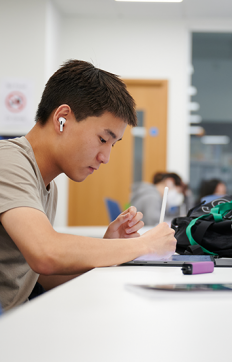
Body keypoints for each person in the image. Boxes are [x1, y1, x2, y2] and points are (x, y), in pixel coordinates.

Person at [0, 60, 176, 312]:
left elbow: (39, 277)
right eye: (103, 139)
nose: (105, 157)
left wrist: (110, 246)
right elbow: (45, 253)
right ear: (62, 119)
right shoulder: (8, 160)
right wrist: (144, 245)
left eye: (112, 145)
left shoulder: (46, 185)